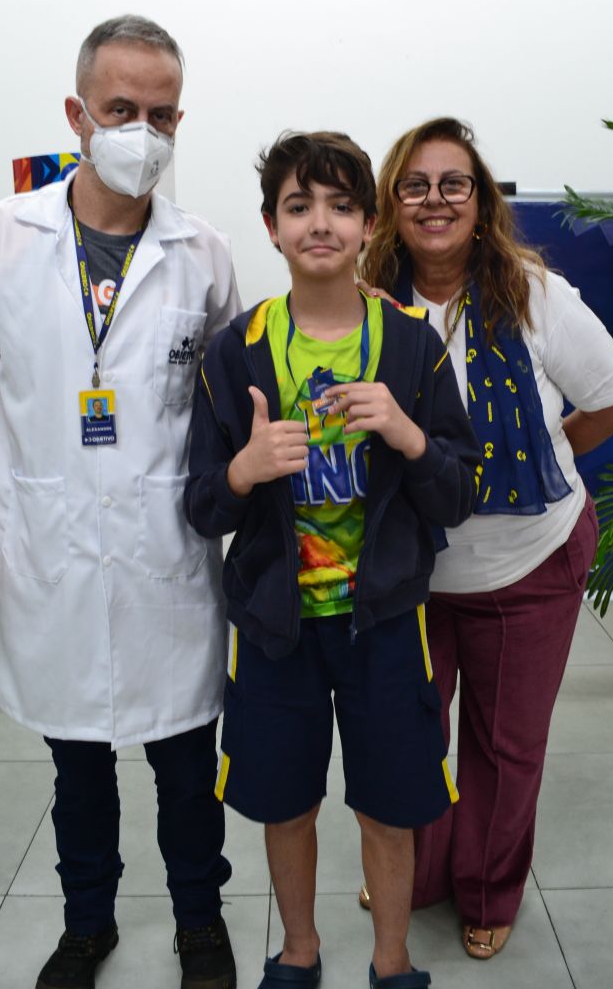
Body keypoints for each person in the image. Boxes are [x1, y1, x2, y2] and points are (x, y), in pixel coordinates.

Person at [0, 15, 241, 989]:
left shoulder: (204, 253)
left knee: (187, 767)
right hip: (51, 550)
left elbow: (232, 403)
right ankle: (86, 925)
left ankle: (199, 922)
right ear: (77, 113)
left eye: (161, 114)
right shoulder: (1, 236)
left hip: (167, 558)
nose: (141, 132)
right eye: (120, 109)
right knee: (79, 768)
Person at [184, 131, 481, 989]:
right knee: (287, 803)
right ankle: (300, 950)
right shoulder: (234, 352)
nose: (321, 223)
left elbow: (458, 492)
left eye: (342, 206)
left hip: (383, 622)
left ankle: (392, 961)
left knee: (390, 806)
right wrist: (243, 470)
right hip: (276, 626)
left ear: (369, 224)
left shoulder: (412, 346)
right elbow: (201, 505)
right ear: (270, 226)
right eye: (299, 205)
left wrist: (407, 433)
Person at [358, 117, 613, 960]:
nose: (435, 200)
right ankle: (414, 869)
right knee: (411, 737)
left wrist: (540, 462)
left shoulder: (534, 295)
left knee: (505, 748)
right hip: (411, 573)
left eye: (455, 183)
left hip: (529, 566)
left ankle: (486, 888)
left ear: (481, 201)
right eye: (415, 185)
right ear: (391, 202)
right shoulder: (364, 302)